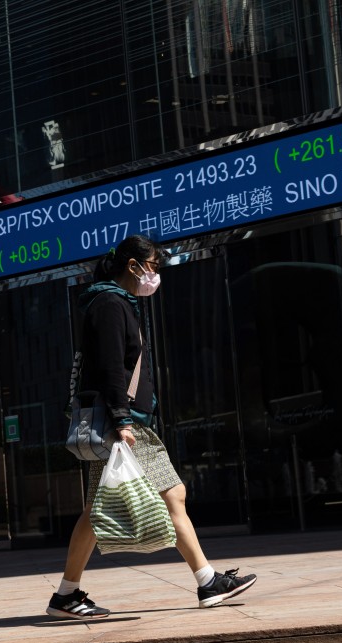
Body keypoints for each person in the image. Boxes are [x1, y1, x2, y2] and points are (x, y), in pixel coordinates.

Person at [47, 235, 257, 619]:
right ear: (133, 266)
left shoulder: (115, 303)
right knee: (169, 494)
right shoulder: (109, 304)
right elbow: (110, 367)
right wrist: (123, 420)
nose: (155, 275)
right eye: (153, 267)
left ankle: (66, 594)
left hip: (125, 421)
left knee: (108, 508)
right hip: (124, 424)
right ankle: (207, 581)